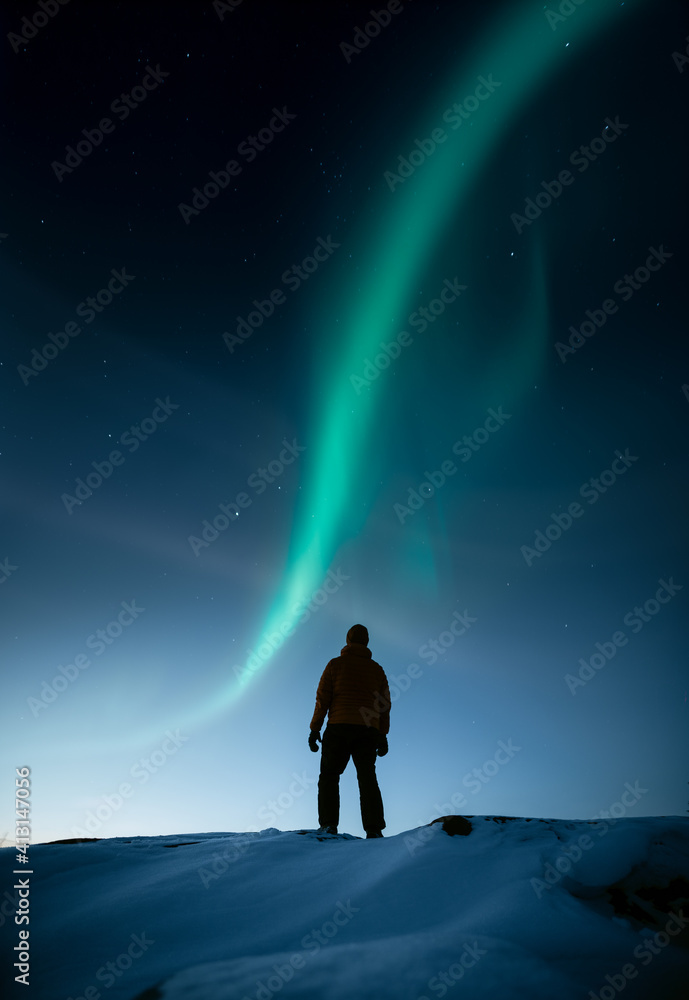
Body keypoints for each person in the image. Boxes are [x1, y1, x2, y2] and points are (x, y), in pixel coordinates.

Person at [308, 623, 391, 838]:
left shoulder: (335, 665)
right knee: (367, 778)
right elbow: (384, 705)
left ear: (348, 640)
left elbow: (322, 700)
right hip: (367, 731)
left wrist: (314, 729)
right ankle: (374, 829)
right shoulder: (377, 670)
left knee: (329, 777)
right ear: (366, 642)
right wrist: (383, 735)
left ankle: (328, 826)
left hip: (338, 728)